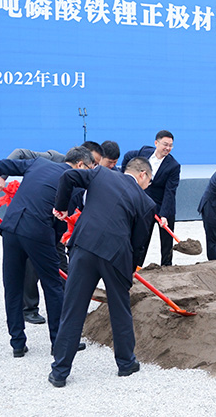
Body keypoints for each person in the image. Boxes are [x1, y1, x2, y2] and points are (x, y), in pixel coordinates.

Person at [0, 146, 95, 358]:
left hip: (11, 227)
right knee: (52, 286)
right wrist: (53, 244)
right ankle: (59, 342)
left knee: (13, 286)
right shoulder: (74, 184)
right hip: (37, 231)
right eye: (90, 168)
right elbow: (61, 221)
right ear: (80, 164)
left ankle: (17, 343)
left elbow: (2, 164)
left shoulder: (39, 163)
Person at [48, 157, 156, 387]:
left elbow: (68, 176)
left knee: (73, 309)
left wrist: (61, 207)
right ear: (143, 175)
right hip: (116, 256)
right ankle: (126, 363)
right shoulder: (146, 202)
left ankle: (60, 371)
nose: (147, 187)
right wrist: (130, 269)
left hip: (84, 246)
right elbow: (139, 243)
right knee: (120, 310)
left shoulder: (101, 174)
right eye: (149, 182)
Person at [0, 148, 65, 326]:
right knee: (31, 266)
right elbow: (19, 153)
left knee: (61, 264)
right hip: (36, 224)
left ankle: (65, 307)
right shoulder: (53, 159)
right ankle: (29, 308)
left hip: (56, 225)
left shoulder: (93, 174)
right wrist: (2, 176)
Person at [121, 130, 180, 266]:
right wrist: (125, 176)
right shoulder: (144, 151)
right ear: (156, 143)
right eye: (165, 144)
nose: (168, 148)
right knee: (142, 238)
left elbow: (170, 192)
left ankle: (167, 267)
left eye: (170, 145)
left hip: (163, 204)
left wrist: (164, 215)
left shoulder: (173, 166)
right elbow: (128, 156)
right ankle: (136, 266)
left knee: (166, 241)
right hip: (144, 205)